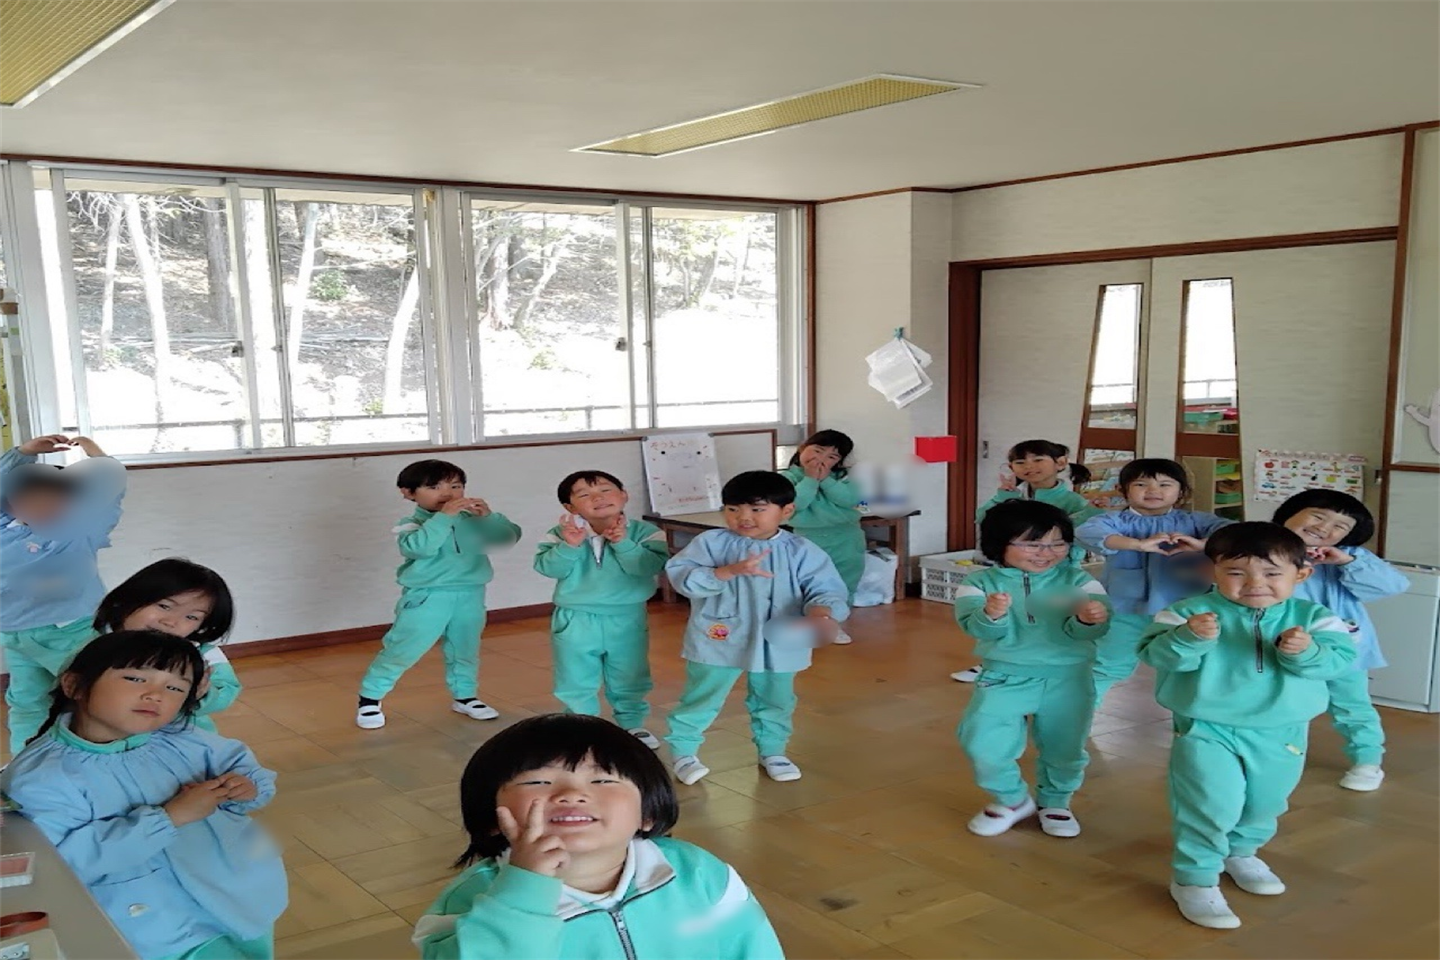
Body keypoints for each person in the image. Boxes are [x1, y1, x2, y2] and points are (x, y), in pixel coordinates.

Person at [0, 631, 286, 959]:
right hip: (158, 926)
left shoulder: (181, 737)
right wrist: (170, 817)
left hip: (238, 892)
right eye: (135, 679)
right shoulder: (42, 777)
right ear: (74, 685)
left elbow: (242, 766)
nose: (155, 695)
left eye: (175, 688)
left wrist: (246, 786)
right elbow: (60, 864)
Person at [414, 714, 784, 959]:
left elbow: (752, 947)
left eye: (603, 780)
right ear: (491, 816)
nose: (572, 794)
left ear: (647, 812)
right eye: (537, 781)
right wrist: (524, 891)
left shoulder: (697, 873)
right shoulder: (470, 900)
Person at [1138, 523, 1354, 930]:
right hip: (1207, 726)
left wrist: (1306, 652)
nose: (1255, 584)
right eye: (1237, 572)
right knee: (1209, 804)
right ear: (1211, 572)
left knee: (1265, 802)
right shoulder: (1186, 612)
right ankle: (1195, 878)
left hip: (1283, 729)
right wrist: (1187, 639)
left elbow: (1340, 661)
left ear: (1301, 574)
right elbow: (1155, 655)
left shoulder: (1315, 618)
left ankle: (1241, 852)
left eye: (1272, 573)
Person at [663, 471, 849, 785]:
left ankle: (773, 750)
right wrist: (726, 572)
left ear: (786, 511)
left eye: (757, 509)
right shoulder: (711, 543)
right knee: (703, 695)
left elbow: (826, 589)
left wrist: (820, 614)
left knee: (776, 698)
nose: (744, 517)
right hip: (719, 637)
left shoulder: (801, 550)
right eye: (733, 509)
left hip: (781, 640)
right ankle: (684, 752)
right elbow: (683, 578)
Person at [954, 500, 1111, 838]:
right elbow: (975, 628)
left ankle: (1056, 801)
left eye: (1057, 543)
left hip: (1069, 678)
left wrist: (1088, 620)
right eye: (1032, 544)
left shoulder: (1080, 581)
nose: (1046, 553)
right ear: (999, 543)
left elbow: (1095, 630)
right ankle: (1011, 799)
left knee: (1065, 747)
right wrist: (991, 615)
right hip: (1003, 677)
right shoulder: (979, 583)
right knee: (981, 741)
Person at [357, 459, 521, 730]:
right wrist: (444, 518)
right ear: (408, 493)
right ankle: (370, 698)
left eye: (455, 486)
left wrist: (489, 518)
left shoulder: (474, 520)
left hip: (471, 594)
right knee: (404, 647)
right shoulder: (410, 524)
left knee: (464, 648)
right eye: (434, 487)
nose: (447, 493)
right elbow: (419, 548)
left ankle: (465, 696)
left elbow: (507, 538)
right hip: (427, 597)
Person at [1273, 490, 1408, 791]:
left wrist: (1346, 561)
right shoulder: (1261, 547)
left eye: (1339, 526)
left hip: (1342, 650)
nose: (1324, 528)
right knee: (1282, 702)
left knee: (1352, 705)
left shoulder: (1349, 556)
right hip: (1282, 647)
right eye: (1317, 516)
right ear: (1289, 513)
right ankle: (1279, 755)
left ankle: (1367, 760)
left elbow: (1394, 585)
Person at [0, 434, 127, 753]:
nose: (42, 506)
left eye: (53, 498)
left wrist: (94, 452)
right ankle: (25, 763)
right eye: (29, 499)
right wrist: (24, 452)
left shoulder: (78, 529)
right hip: (19, 635)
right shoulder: (5, 528)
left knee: (95, 694)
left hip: (67, 630)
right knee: (29, 701)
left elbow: (109, 482)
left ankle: (106, 753)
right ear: (12, 503)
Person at [1075, 458, 1233, 705]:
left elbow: (1233, 533)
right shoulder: (1116, 520)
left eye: (1164, 484)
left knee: (1186, 666)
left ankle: (1191, 718)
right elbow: (1087, 532)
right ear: (1123, 490)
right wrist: (1136, 544)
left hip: (1184, 611)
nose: (1153, 491)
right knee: (1107, 664)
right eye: (1141, 484)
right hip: (1125, 610)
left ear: (1181, 491)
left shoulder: (1195, 521)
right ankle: (1078, 716)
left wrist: (1202, 545)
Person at [534, 470, 669, 749]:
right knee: (575, 675)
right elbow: (548, 568)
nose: (597, 498)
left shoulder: (646, 532)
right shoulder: (561, 533)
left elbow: (649, 566)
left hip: (627, 616)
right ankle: (581, 726)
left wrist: (623, 543)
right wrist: (569, 546)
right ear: (570, 507)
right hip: (575, 617)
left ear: (624, 495)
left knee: (630, 672)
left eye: (606, 490)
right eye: (584, 494)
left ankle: (632, 723)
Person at [952, 439, 1099, 682]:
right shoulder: (1014, 497)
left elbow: (1076, 531)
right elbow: (985, 519)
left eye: (1038, 460)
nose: (1029, 466)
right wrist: (1002, 497)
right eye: (1020, 462)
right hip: (1014, 570)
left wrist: (1091, 512)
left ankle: (1051, 663)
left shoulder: (1073, 501)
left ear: (1061, 463)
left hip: (1056, 570)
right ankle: (996, 663)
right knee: (1009, 613)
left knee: (1049, 617)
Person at [93, 558, 239, 732]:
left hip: (174, 733)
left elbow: (226, 690)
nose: (171, 622)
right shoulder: (91, 641)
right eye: (164, 606)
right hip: (102, 732)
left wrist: (202, 693)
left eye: (192, 617)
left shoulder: (203, 654)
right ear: (129, 598)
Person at [780, 429, 865, 644]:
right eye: (817, 451)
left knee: (844, 583)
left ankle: (834, 625)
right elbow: (796, 503)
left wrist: (826, 480)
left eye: (832, 457)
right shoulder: (787, 478)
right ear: (802, 449)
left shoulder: (845, 478)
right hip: (808, 539)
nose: (821, 460)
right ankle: (806, 623)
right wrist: (810, 479)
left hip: (846, 538)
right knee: (806, 582)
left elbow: (849, 499)